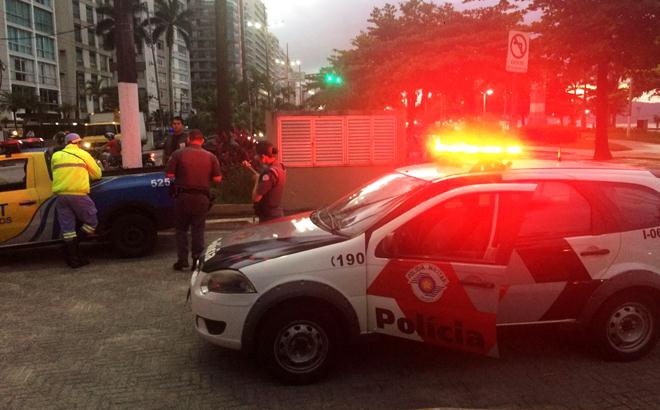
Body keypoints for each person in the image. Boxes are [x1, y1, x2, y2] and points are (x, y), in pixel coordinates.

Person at [166, 129, 222, 271]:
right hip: (201, 198)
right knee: (198, 229)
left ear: (188, 139)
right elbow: (217, 178)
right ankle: (197, 259)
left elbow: (169, 175)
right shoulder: (211, 156)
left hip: (182, 197)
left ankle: (182, 260)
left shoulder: (177, 154)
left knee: (181, 230)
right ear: (202, 140)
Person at [51, 133, 102, 268]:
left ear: (66, 143)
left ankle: (73, 258)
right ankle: (75, 246)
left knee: (68, 230)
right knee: (92, 222)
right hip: (78, 195)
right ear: (78, 143)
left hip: (61, 196)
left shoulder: (56, 156)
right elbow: (97, 174)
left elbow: (54, 173)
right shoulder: (83, 154)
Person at [243, 141, 286, 222]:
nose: (256, 158)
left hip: (268, 217)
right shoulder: (280, 166)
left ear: (263, 156)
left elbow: (256, 198)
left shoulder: (269, 173)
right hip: (276, 214)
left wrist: (257, 180)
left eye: (257, 156)